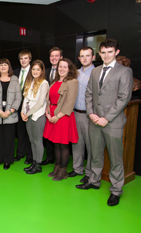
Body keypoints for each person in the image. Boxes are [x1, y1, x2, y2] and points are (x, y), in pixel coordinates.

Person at [76, 39, 133, 207]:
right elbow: (89, 94)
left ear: (116, 52)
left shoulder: (125, 71)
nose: (106, 55)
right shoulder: (95, 71)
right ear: (99, 54)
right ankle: (94, 181)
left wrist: (106, 118)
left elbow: (124, 98)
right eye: (103, 52)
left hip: (112, 122)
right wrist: (91, 113)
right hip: (94, 120)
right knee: (95, 154)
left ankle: (116, 190)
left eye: (110, 52)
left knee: (115, 158)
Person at [43, 58, 79, 181]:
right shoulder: (55, 81)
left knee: (63, 145)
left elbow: (70, 102)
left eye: (64, 67)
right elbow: (48, 99)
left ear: (69, 69)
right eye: (60, 67)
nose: (62, 69)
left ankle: (63, 171)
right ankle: (57, 168)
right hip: (51, 115)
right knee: (56, 144)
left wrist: (57, 116)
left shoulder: (72, 82)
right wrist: (47, 112)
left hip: (63, 117)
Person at [67, 47, 95, 183]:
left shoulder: (97, 73)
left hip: (89, 115)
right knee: (76, 142)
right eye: (82, 56)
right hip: (75, 113)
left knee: (90, 145)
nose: (84, 58)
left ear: (93, 57)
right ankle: (77, 169)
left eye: (87, 56)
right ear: (78, 58)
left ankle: (89, 173)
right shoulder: (75, 73)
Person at [0, 58, 21, 170]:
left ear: (9, 67)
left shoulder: (15, 79)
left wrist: (10, 111)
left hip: (10, 115)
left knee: (9, 139)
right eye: (1, 65)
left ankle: (7, 160)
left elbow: (18, 98)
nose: (3, 67)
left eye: (5, 65)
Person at [21, 60, 49, 174]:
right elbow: (26, 99)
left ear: (42, 71)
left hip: (38, 116)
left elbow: (40, 103)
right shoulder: (30, 81)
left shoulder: (44, 83)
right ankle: (33, 162)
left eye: (38, 69)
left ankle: (38, 165)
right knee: (32, 140)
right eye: (33, 69)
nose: (35, 71)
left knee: (38, 141)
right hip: (28, 116)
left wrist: (27, 114)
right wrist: (22, 113)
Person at [42, 47, 63, 165]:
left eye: (56, 56)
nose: (54, 58)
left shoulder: (65, 73)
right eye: (52, 56)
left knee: (58, 135)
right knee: (48, 133)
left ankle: (59, 161)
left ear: (61, 57)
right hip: (47, 107)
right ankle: (49, 157)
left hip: (59, 108)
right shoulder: (46, 71)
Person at [13, 49, 33, 164]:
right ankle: (20, 153)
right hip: (18, 106)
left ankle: (30, 155)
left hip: (30, 106)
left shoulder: (34, 71)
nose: (23, 61)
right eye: (21, 58)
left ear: (30, 59)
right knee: (20, 131)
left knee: (29, 131)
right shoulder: (15, 72)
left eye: (26, 58)